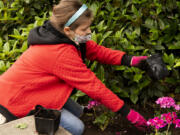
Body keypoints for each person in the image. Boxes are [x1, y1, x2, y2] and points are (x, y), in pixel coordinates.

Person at [0, 0, 168, 134]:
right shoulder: (59, 53)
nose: (89, 32)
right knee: (77, 128)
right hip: (16, 101)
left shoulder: (61, 36)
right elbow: (94, 87)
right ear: (68, 29)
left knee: (79, 111)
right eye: (85, 28)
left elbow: (98, 52)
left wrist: (136, 61)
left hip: (35, 90)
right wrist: (128, 114)